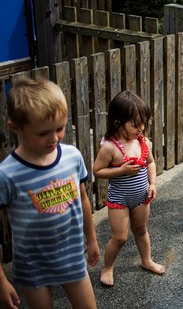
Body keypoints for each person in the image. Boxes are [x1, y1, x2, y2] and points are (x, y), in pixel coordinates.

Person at [0, 78, 99, 308]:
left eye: (60, 128)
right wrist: (1, 280)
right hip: (32, 264)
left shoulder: (72, 156)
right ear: (16, 128)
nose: (54, 138)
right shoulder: (7, 175)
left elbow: (83, 198)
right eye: (43, 133)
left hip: (72, 254)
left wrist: (92, 239)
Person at [93, 90, 165, 286]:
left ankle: (146, 260)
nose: (141, 128)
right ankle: (107, 267)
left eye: (143, 123)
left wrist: (152, 183)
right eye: (135, 124)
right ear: (117, 122)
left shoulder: (144, 142)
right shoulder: (110, 147)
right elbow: (98, 171)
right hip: (119, 199)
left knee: (141, 230)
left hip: (141, 196)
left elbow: (150, 163)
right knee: (120, 237)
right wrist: (121, 170)